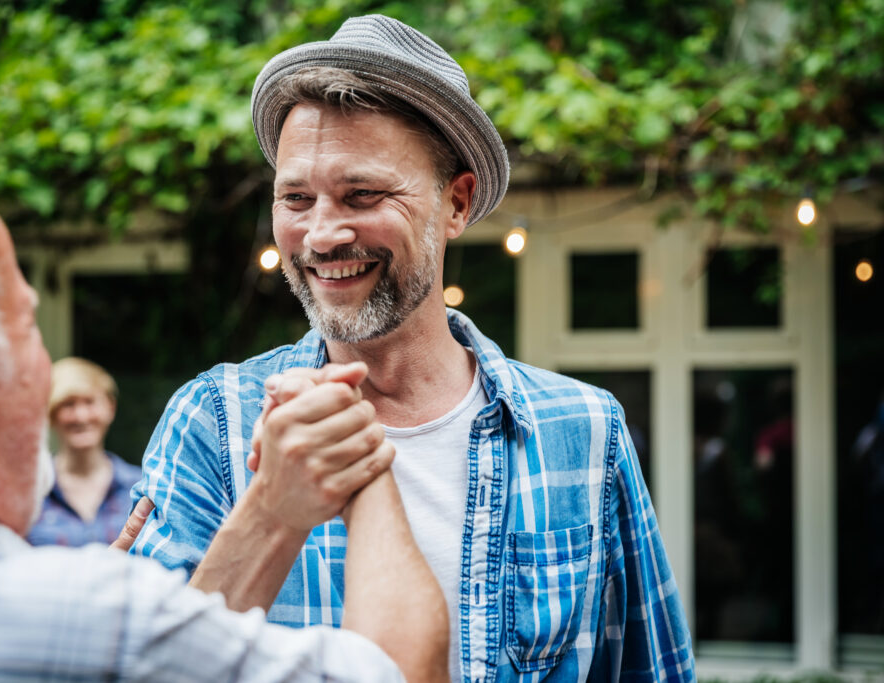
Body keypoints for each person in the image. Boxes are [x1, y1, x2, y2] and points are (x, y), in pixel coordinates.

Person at [128, 14, 695, 682]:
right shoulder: (213, 420)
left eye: (361, 193)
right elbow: (145, 667)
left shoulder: (583, 431)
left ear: (456, 203)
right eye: (296, 198)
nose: (320, 235)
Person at [0, 156, 449, 681]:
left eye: (364, 194)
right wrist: (353, 446)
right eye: (25, 328)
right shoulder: (87, 622)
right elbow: (400, 672)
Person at [27, 356, 142, 547]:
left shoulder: (140, 487)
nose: (81, 417)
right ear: (51, 413)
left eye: (89, 402)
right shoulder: (32, 491)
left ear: (110, 408)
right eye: (68, 404)